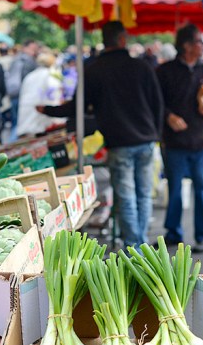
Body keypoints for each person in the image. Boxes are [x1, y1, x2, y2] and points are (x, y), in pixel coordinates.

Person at [41, 22, 164, 248]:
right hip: (146, 139)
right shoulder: (142, 67)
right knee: (143, 195)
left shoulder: (95, 69)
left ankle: (134, 247)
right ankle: (141, 244)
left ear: (104, 39)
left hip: (119, 143)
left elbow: (76, 107)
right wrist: (156, 133)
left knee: (127, 197)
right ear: (122, 39)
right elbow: (158, 104)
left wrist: (48, 109)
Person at [157, 24, 203, 253]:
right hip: (175, 141)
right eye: (199, 42)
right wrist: (169, 116)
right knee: (174, 189)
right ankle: (173, 232)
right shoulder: (165, 71)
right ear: (186, 45)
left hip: (202, 140)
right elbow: (156, 103)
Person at [15, 52, 64, 137]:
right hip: (43, 115)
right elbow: (55, 95)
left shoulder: (30, 76)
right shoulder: (51, 75)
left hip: (29, 113)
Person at [5, 40, 39, 141]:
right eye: (33, 49)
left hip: (13, 94)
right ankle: (11, 148)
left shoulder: (15, 59)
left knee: (15, 123)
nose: (34, 51)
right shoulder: (28, 61)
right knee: (19, 125)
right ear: (25, 48)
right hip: (22, 96)